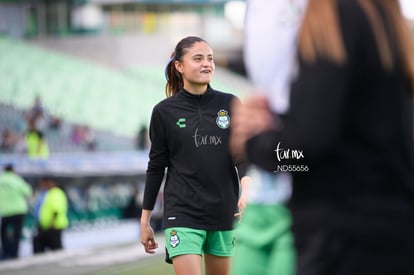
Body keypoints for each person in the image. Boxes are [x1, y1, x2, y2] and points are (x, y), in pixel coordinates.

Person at [230, 0, 414, 274]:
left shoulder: (335, 15)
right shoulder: (382, 16)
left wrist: (254, 142)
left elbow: (306, 149)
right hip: (385, 232)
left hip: (342, 238)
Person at [140, 36, 248, 275]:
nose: (206, 64)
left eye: (210, 58)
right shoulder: (163, 112)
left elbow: (242, 156)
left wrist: (246, 189)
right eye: (197, 58)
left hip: (223, 212)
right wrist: (145, 219)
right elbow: (156, 166)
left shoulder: (230, 103)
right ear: (179, 66)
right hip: (182, 212)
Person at [230, 1, 307, 275]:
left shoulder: (333, 11)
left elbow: (312, 147)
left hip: (305, 203)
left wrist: (254, 144)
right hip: (261, 200)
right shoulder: (255, 8)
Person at [0, 164, 33, 260]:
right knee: (17, 233)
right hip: (18, 210)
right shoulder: (17, 180)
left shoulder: (1, 180)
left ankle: (6, 252)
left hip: (4, 211)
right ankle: (15, 253)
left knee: (3, 233)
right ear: (13, 170)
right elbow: (28, 192)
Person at [33, 177, 69, 254]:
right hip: (47, 225)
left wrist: (52, 223)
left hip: (53, 226)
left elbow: (56, 209)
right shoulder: (49, 193)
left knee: (56, 249)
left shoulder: (56, 193)